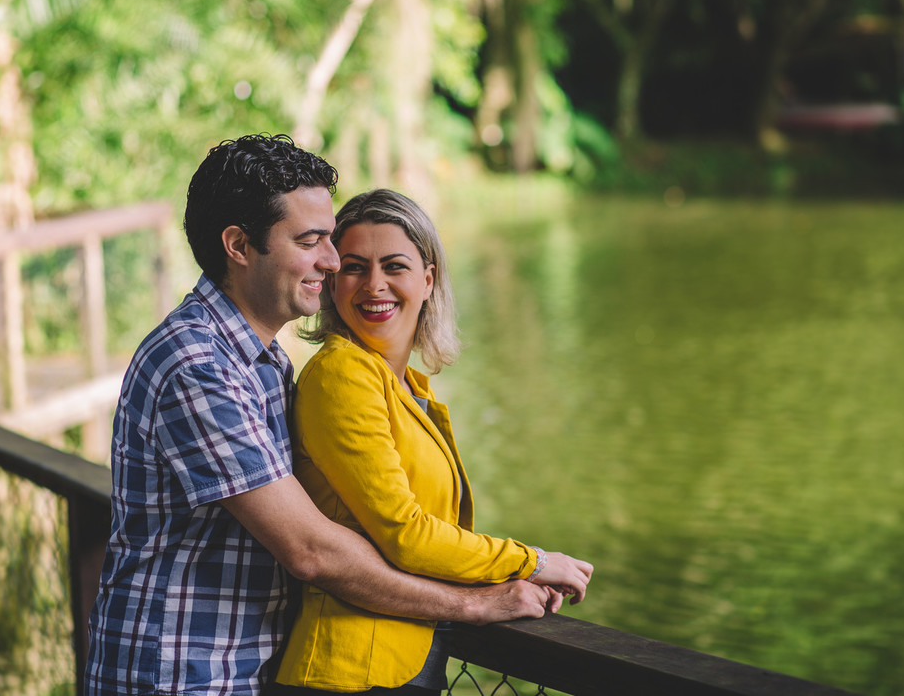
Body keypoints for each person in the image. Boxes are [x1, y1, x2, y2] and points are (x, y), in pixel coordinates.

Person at [83, 135, 556, 696]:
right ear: (239, 245)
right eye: (310, 241)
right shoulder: (197, 364)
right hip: (178, 675)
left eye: (329, 239)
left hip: (239, 669)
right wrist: (473, 604)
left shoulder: (265, 362)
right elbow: (311, 550)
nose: (330, 262)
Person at [274, 190, 594, 694]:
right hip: (351, 672)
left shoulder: (406, 386)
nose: (374, 285)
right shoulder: (342, 374)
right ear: (333, 282)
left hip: (406, 662)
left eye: (394, 266)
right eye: (354, 268)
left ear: (428, 280)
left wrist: (499, 581)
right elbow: (407, 535)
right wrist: (533, 561)